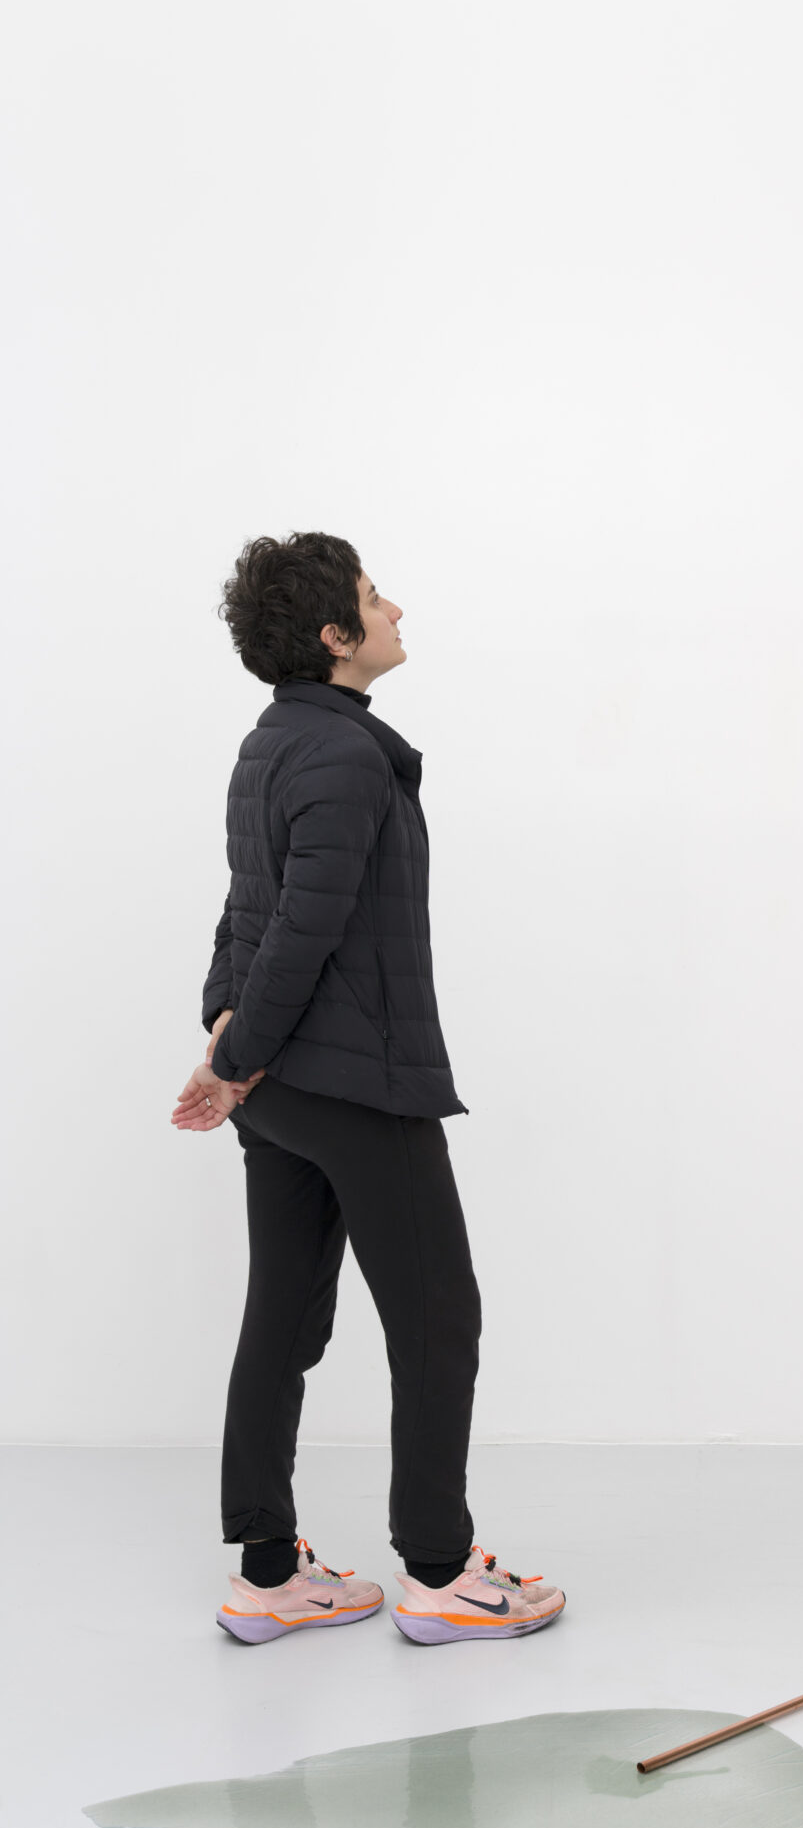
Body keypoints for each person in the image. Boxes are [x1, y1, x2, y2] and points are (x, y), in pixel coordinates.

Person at [174, 531, 564, 1648]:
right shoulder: (344, 755)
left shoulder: (272, 741)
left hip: (283, 1090)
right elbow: (298, 925)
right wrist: (233, 1052)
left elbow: (245, 906)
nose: (397, 610)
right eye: (375, 597)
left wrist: (227, 1033)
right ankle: (439, 1573)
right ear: (336, 636)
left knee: (283, 1316)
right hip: (353, 1083)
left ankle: (266, 1576)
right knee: (439, 1318)